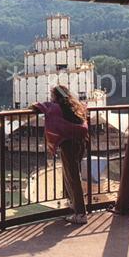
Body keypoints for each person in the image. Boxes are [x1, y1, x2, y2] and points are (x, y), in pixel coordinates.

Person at [32, 85, 89, 224]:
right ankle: (72, 203)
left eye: (52, 95)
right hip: (81, 141)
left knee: (73, 176)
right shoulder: (75, 106)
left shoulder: (55, 107)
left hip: (68, 143)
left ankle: (80, 213)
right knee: (72, 173)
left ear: (55, 96)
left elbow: (37, 107)